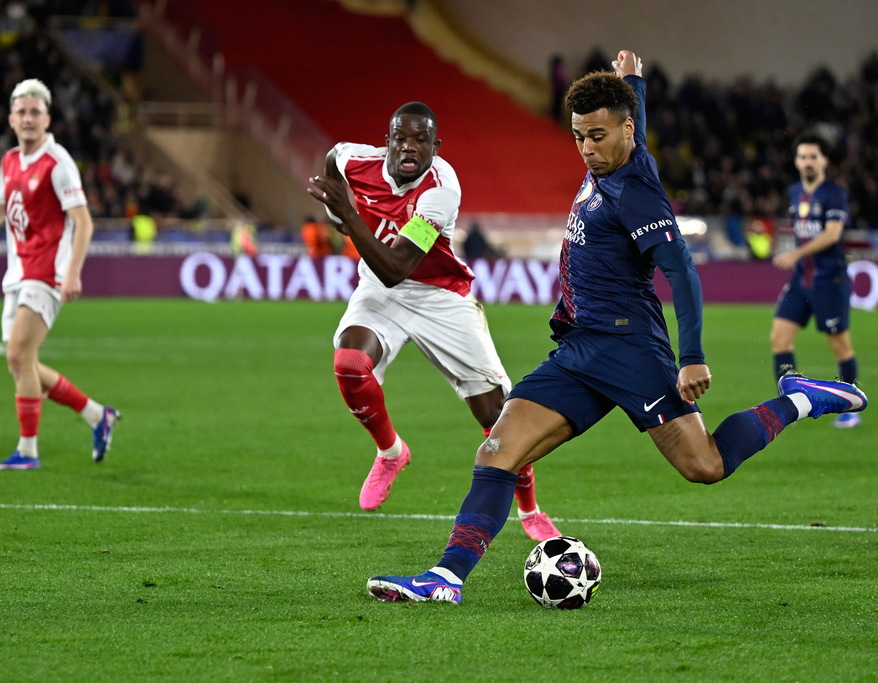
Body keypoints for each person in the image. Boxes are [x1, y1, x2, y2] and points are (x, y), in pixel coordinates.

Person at [364, 51, 867, 604]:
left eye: (597, 136)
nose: (587, 149)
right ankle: (446, 579)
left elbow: (683, 273)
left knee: (705, 466)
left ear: (623, 130)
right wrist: (632, 81)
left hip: (632, 351)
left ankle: (800, 399)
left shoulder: (637, 193)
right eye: (579, 137)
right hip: (579, 349)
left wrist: (692, 355)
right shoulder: (619, 154)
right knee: (498, 452)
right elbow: (632, 125)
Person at [307, 102, 559, 541]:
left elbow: (397, 266)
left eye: (420, 140)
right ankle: (391, 452)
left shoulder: (440, 190)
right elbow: (333, 160)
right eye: (401, 138)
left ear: (434, 147)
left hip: (440, 297)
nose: (409, 147)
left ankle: (530, 509)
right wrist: (336, 214)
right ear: (387, 141)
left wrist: (347, 219)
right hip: (380, 293)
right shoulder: (355, 159)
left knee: (497, 414)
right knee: (349, 362)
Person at [0, 78, 120, 470]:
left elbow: (83, 223)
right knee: (23, 364)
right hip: (17, 272)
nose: (28, 118)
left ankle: (28, 451)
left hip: (47, 272)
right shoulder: (9, 161)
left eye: (35, 112)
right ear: (10, 119)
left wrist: (72, 273)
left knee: (19, 352)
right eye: (21, 111)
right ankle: (95, 414)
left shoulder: (58, 164)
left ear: (48, 118)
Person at [770, 133, 860, 428]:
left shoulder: (834, 193)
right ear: (796, 161)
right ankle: (791, 403)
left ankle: (851, 405)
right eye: (803, 157)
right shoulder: (795, 191)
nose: (808, 162)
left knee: (839, 346)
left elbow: (833, 235)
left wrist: (795, 254)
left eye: (813, 157)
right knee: (779, 338)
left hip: (828, 279)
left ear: (824, 161)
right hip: (801, 280)